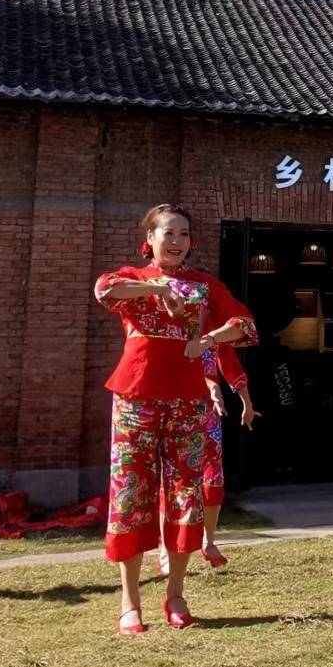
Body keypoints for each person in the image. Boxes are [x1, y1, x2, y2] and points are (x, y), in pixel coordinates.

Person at [95, 203, 257, 634]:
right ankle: (130, 602)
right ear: (149, 239)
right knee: (130, 492)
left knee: (187, 492)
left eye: (184, 234)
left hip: (188, 400)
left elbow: (244, 324)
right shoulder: (133, 277)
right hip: (135, 396)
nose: (176, 241)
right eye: (168, 232)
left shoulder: (205, 284)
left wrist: (209, 338)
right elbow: (104, 290)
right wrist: (158, 289)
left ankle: (176, 594)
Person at [157, 341, 257, 577]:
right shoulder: (174, 330)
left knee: (213, 478)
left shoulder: (213, 334)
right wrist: (210, 385)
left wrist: (247, 403)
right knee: (172, 481)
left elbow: (230, 364)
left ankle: (208, 541)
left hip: (208, 413)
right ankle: (165, 550)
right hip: (177, 410)